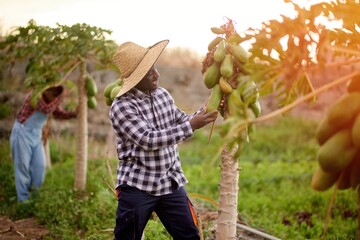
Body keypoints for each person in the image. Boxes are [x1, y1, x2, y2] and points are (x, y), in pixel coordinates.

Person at [109, 39, 218, 240]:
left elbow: (181, 120)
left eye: (155, 68)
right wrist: (192, 125)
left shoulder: (162, 95)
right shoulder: (122, 106)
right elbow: (148, 139)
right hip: (138, 186)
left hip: (170, 182)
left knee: (189, 235)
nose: (156, 74)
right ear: (135, 77)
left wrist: (204, 112)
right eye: (149, 71)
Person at [10, 85, 77, 202]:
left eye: (56, 96)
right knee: (22, 166)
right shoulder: (34, 96)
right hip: (22, 133)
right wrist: (61, 98)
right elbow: (46, 109)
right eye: (54, 95)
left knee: (40, 166)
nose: (55, 98)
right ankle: (23, 200)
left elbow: (59, 114)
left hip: (36, 135)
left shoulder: (52, 102)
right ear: (46, 90)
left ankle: (35, 196)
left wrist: (74, 114)